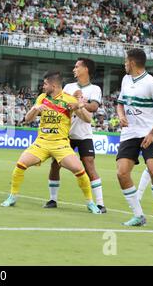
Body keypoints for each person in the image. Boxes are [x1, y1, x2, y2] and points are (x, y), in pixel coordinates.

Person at [0, 71, 101, 214]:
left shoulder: (68, 100)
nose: (43, 86)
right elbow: (28, 119)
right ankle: (12, 196)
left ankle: (90, 203)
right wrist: (35, 109)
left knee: (79, 170)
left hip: (61, 144)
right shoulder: (42, 98)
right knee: (20, 164)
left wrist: (79, 106)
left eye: (45, 84)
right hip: (41, 143)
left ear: (53, 85)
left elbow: (87, 119)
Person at [116, 48, 153, 229]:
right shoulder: (126, 79)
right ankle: (138, 215)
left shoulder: (152, 84)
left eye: (126, 61)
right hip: (129, 134)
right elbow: (120, 103)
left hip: (149, 134)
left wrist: (151, 134)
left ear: (132, 63)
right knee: (122, 173)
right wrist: (121, 116)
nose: (124, 64)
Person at [44, 58, 107, 213]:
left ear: (85, 69)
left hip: (84, 134)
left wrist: (80, 102)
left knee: (89, 165)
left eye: (77, 66)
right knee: (55, 164)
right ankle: (53, 199)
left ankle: (100, 203)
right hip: (66, 134)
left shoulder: (95, 89)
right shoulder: (68, 87)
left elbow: (93, 107)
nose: (74, 69)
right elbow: (60, 103)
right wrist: (71, 99)